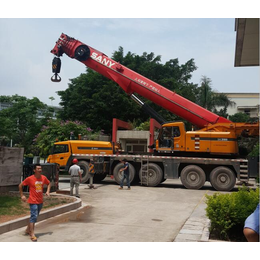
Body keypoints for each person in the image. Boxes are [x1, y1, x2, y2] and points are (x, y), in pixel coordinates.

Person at [19, 163, 51, 242]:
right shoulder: (30, 179)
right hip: (33, 200)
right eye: (38, 169)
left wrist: (47, 191)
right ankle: (32, 234)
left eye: (40, 169)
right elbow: (20, 185)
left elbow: (49, 183)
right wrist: (22, 195)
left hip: (40, 201)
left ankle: (27, 230)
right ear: (34, 170)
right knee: (34, 216)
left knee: (35, 216)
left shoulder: (43, 178)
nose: (40, 170)